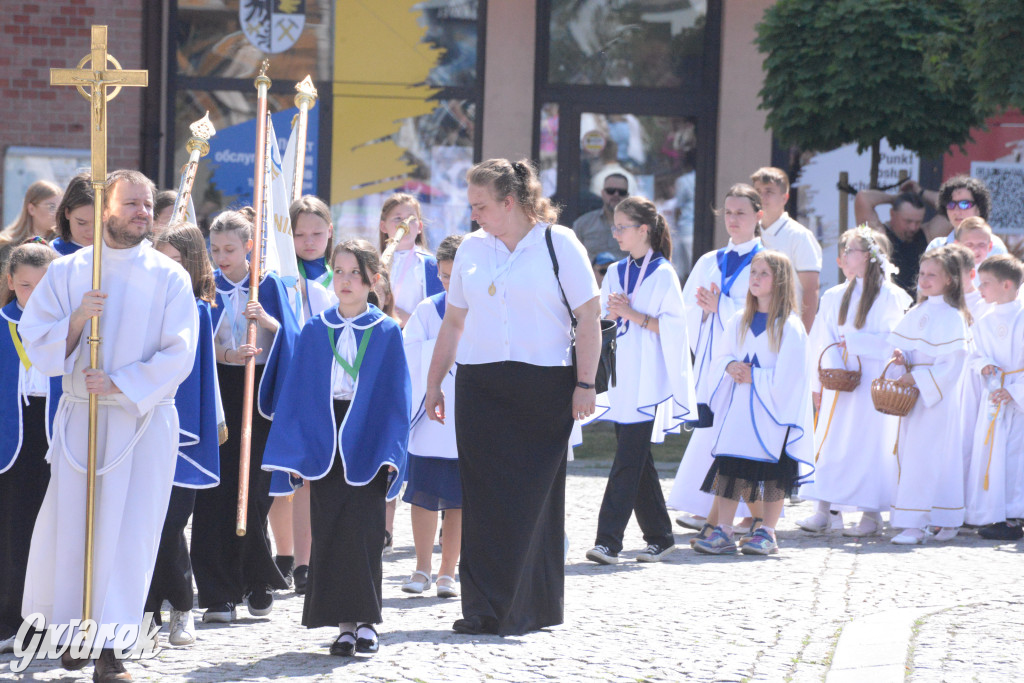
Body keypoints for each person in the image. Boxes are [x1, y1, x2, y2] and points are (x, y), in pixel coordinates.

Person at [19, 169, 198, 680]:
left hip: (139, 423)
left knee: (128, 536)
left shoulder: (169, 277)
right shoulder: (70, 272)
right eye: (132, 204)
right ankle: (74, 631)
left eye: (148, 204)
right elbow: (38, 344)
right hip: (82, 422)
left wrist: (119, 384)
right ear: (104, 210)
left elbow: (179, 353)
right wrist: (77, 319)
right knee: (73, 530)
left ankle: (111, 650)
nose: (144, 212)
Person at [425, 158, 601, 636]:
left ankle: (529, 607)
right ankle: (481, 608)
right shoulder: (471, 249)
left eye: (481, 206)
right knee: (482, 499)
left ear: (510, 202)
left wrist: (585, 384)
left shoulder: (558, 243)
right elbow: (454, 322)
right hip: (480, 386)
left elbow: (589, 317)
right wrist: (434, 382)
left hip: (544, 386)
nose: (474, 215)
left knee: (531, 499)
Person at [262, 239, 411, 657]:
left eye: (354, 274)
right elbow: (298, 392)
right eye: (339, 272)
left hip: (366, 438)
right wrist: (294, 449)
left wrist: (391, 452)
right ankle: (343, 625)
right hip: (324, 436)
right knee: (328, 532)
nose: (345, 281)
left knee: (364, 533)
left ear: (372, 281)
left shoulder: (385, 331)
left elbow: (395, 397)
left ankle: (367, 622)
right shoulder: (316, 328)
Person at [190, 208, 298, 624]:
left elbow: (294, 338)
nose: (221, 257)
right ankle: (218, 591)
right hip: (220, 390)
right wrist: (227, 354)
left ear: (250, 246)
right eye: (214, 249)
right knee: (218, 491)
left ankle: (256, 577)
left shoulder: (270, 285)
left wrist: (265, 320)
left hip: (261, 394)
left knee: (254, 492)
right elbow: (200, 341)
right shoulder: (209, 286)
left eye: (230, 249)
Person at [585, 196, 695, 565]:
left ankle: (608, 541)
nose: (615, 233)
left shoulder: (664, 272)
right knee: (637, 458)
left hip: (649, 379)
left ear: (643, 230)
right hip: (621, 377)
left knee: (627, 459)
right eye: (614, 227)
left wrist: (632, 313)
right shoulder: (615, 271)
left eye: (622, 227)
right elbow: (605, 319)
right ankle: (660, 536)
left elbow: (676, 329)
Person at [692, 250, 814, 556]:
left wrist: (755, 377)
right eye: (753, 273)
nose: (755, 279)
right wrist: (730, 367)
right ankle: (723, 530)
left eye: (763, 274)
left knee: (773, 472)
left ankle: (767, 532)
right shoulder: (738, 320)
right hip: (738, 409)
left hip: (771, 412)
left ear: (780, 281)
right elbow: (720, 357)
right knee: (730, 467)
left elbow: (791, 376)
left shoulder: (791, 327)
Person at [797, 228, 911, 537]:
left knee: (870, 445)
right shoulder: (835, 295)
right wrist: (822, 381)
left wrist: (858, 343)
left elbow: (896, 339)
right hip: (842, 385)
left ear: (870, 256)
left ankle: (870, 512)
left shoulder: (890, 296)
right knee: (832, 444)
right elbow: (822, 339)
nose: (845, 256)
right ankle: (823, 508)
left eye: (851, 250)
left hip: (874, 385)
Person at [666, 184, 764, 535]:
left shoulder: (764, 262)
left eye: (741, 212)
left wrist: (720, 306)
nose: (733, 219)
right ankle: (704, 506)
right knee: (711, 432)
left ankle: (747, 514)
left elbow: (765, 310)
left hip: (744, 363)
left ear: (758, 216)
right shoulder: (710, 260)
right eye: (729, 212)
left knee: (735, 435)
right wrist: (705, 311)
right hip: (711, 360)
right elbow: (685, 311)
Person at [145, 222, 223, 648]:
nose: (167, 270)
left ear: (192, 265)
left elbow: (195, 381)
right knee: (142, 524)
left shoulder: (199, 310)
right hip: (138, 426)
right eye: (160, 261)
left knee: (171, 523)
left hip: (178, 432)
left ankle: (182, 607)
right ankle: (145, 612)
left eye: (175, 262)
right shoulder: (139, 304)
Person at [268, 196, 337, 595]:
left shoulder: (341, 274)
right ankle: (285, 554)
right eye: (299, 234)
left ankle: (311, 560)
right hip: (289, 384)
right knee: (285, 477)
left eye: (317, 232)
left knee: (317, 479)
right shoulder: (281, 279)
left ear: (330, 231)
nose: (309, 241)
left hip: (329, 386)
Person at [887, 248, 971, 545]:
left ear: (949, 279)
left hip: (937, 400)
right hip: (914, 399)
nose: (924, 279)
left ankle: (915, 523)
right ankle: (943, 518)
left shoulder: (952, 317)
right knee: (915, 456)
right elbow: (908, 350)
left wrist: (919, 378)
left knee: (930, 458)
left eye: (932, 274)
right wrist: (901, 361)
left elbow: (951, 365)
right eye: (922, 273)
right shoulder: (917, 312)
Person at [0, 242, 60, 655]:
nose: (33, 296)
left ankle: (52, 623)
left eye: (43, 287)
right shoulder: (3, 323)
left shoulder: (73, 326)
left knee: (55, 534)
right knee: (14, 533)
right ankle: (10, 621)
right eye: (24, 286)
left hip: (59, 435)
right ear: (9, 282)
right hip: (12, 440)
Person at [401, 234, 464, 598]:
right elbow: (409, 353)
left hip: (464, 418)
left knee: (458, 500)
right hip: (429, 417)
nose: (447, 283)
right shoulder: (428, 309)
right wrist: (439, 353)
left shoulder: (483, 309)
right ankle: (422, 567)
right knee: (423, 494)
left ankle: (447, 572)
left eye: (455, 276)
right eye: (442, 275)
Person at [964, 255, 1024, 540]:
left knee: (1015, 457)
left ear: (1007, 284)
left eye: (985, 283)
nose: (980, 290)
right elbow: (975, 354)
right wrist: (984, 364)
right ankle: (995, 514)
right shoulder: (983, 320)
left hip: (1016, 396)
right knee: (992, 454)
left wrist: (1014, 391)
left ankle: (1014, 515)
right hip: (995, 394)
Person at [750, 167, 822, 332]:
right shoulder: (750, 233)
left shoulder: (800, 236)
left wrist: (803, 335)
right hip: (754, 327)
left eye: (769, 191)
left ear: (785, 198)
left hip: (787, 329)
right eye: (758, 191)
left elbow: (811, 289)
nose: (762, 196)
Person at [376, 193, 443, 328]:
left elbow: (437, 317)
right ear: (383, 226)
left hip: (412, 341)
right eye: (398, 218)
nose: (405, 224)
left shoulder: (429, 264)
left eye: (411, 219)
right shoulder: (374, 263)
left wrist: (408, 319)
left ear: (419, 227)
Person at [916, 175, 1008, 255]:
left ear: (979, 209)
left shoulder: (995, 247)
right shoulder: (937, 247)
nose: (957, 211)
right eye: (951, 205)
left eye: (965, 204)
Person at [0, 180, 61, 268]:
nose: (57, 213)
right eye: (51, 207)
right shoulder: (6, 248)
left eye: (60, 207)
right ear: (31, 209)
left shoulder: (60, 245)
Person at [572, 173, 630, 262]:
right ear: (602, 193)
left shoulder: (637, 227)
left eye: (621, 192)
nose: (616, 195)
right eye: (610, 191)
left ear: (627, 196)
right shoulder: (582, 224)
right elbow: (572, 257)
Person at [50, 173, 95, 256]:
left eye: (99, 224)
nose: (91, 232)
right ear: (67, 213)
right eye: (82, 223)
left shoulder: (118, 254)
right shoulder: (52, 253)